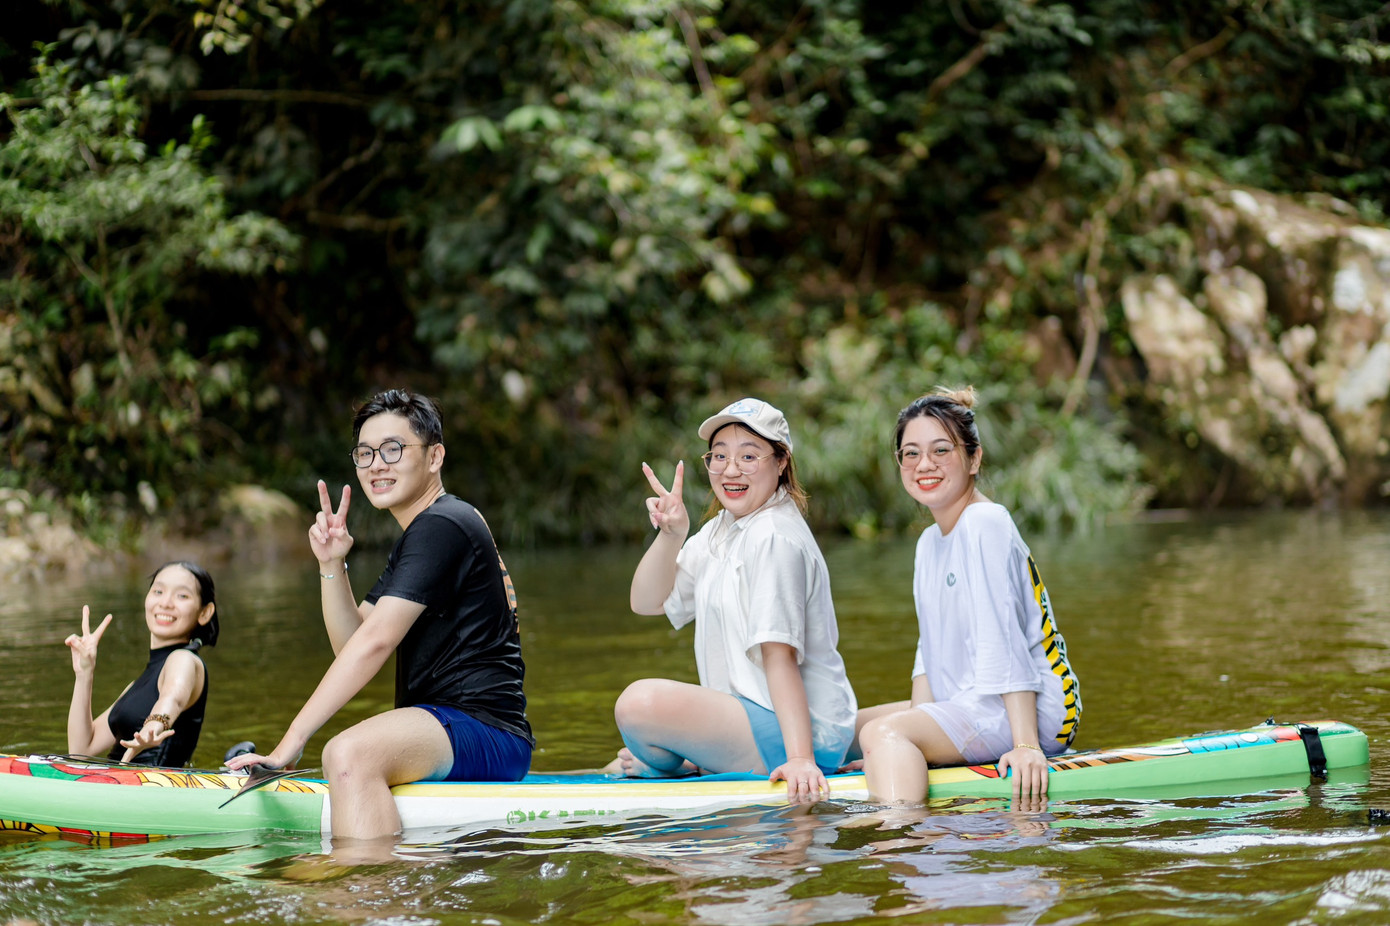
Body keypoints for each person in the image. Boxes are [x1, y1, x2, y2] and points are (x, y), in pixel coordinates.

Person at [226, 389, 533, 841]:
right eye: (365, 453)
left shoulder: (441, 526)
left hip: (482, 730)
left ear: (435, 457)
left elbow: (376, 644)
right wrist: (331, 565)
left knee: (349, 753)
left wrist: (290, 742)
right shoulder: (424, 533)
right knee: (350, 752)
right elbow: (351, 644)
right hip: (454, 729)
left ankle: (370, 895)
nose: (376, 465)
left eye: (393, 449)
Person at [611, 397, 858, 802]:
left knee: (639, 704)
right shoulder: (722, 530)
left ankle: (679, 763)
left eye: (748, 456)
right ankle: (690, 759)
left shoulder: (773, 536)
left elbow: (779, 656)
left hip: (797, 733)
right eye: (719, 456)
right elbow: (646, 602)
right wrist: (672, 535)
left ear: (781, 462)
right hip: (757, 719)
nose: (730, 470)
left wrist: (800, 759)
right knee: (640, 717)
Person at [855, 387, 1081, 805]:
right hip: (971, 700)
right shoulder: (928, 542)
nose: (925, 464)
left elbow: (1005, 637)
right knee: (843, 733)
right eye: (911, 453)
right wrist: (916, 729)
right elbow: (931, 649)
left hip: (1031, 709)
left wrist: (1027, 745)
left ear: (973, 459)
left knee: (880, 732)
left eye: (942, 451)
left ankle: (904, 832)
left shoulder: (985, 522)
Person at [66, 561, 220, 767]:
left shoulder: (184, 659)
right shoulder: (135, 687)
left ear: (205, 613)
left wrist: (155, 725)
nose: (165, 603)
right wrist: (84, 674)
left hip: (154, 791)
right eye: (158, 591)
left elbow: (173, 698)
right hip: (114, 786)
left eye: (182, 596)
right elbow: (80, 752)